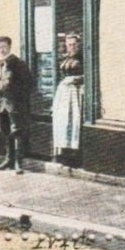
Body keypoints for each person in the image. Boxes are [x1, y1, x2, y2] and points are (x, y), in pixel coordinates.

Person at [0, 36, 32, 174]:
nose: (1, 50)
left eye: (3, 47)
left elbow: (27, 84)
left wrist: (16, 97)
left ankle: (18, 162)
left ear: (9, 46)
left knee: (17, 132)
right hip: (2, 103)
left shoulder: (18, 63)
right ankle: (8, 159)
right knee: (5, 131)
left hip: (16, 104)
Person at [52, 34, 83, 166]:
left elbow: (89, 74)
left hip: (76, 91)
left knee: (74, 120)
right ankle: (63, 151)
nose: (72, 47)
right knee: (63, 121)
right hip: (64, 93)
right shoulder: (64, 58)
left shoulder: (83, 58)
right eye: (69, 45)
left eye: (75, 44)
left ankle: (74, 154)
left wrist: (78, 79)